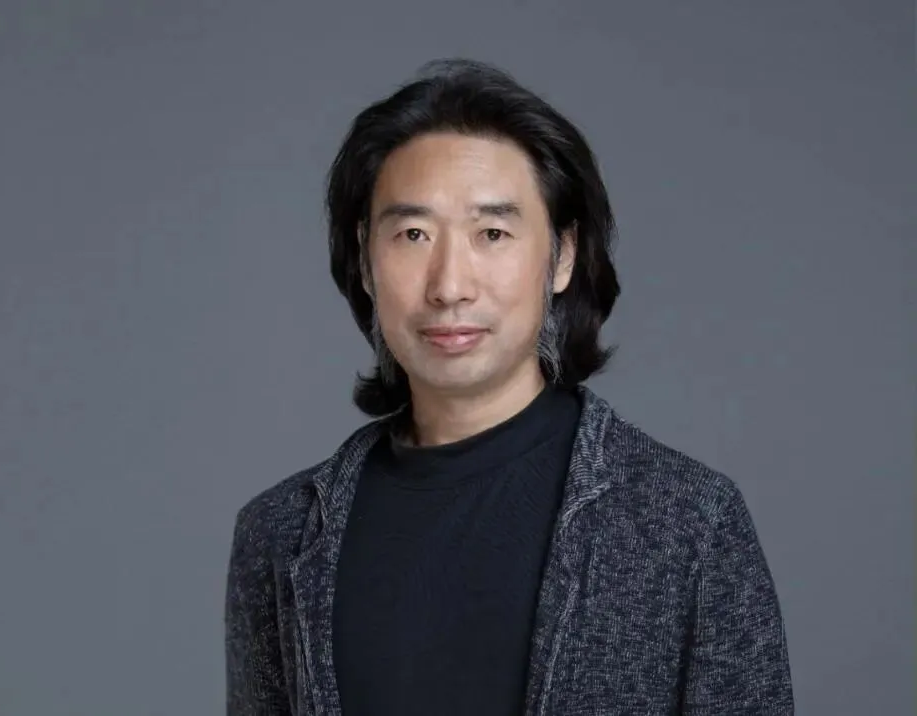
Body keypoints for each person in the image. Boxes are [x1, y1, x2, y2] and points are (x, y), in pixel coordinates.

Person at [225, 58, 793, 715]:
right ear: (365, 259)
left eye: (492, 233)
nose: (449, 285)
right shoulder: (281, 532)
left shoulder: (688, 521)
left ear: (562, 255)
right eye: (413, 234)